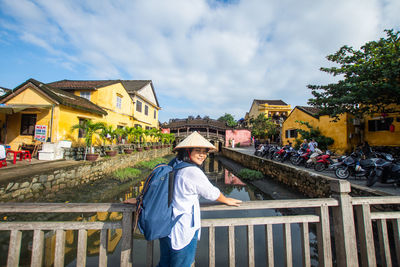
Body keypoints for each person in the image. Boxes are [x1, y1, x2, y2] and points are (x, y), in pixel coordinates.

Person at [158, 131, 242, 267]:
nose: (203, 155)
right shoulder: (192, 171)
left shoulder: (174, 163)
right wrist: (226, 199)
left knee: (165, 263)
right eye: (198, 151)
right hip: (182, 228)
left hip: (166, 226)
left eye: (205, 151)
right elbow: (211, 193)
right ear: (187, 151)